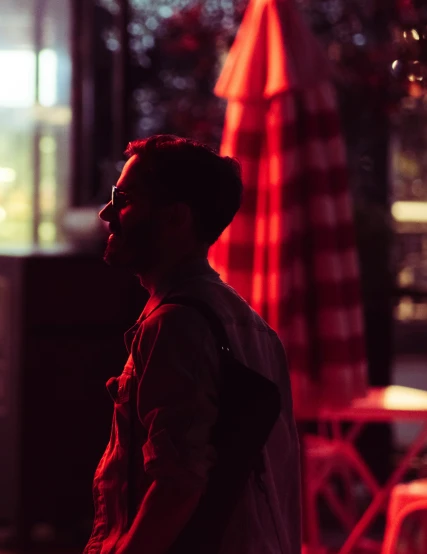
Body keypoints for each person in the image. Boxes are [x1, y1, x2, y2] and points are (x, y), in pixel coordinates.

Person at [84, 135, 301, 554]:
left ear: (176, 218)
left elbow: (177, 483)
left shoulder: (176, 324)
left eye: (123, 198)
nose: (107, 212)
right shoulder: (252, 326)